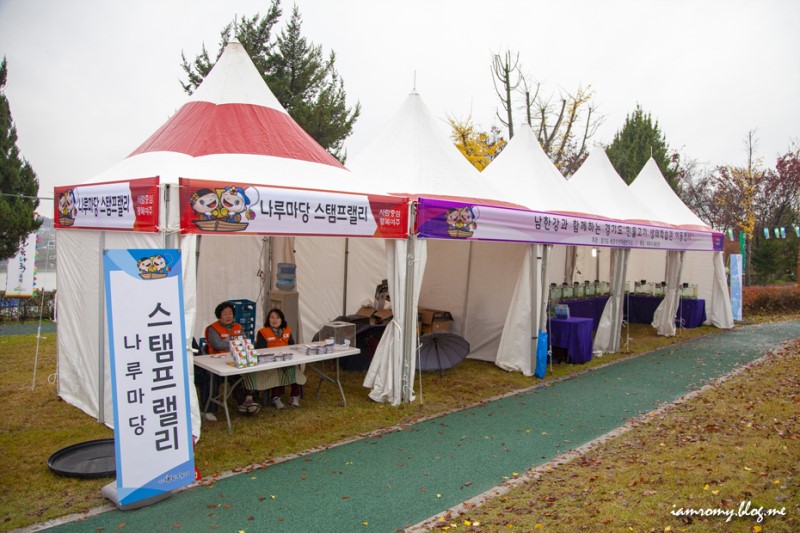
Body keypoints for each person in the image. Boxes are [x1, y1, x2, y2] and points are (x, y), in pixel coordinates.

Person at [204, 301, 260, 416]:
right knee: (235, 376)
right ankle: (243, 403)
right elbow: (218, 345)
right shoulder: (213, 329)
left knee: (251, 371)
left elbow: (245, 341)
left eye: (230, 313)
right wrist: (236, 343)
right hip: (218, 361)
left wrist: (233, 342)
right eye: (225, 314)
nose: (228, 316)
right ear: (219, 315)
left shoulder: (238, 327)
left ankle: (248, 400)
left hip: (237, 358)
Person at [250, 308, 306, 409]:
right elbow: (260, 350)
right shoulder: (263, 332)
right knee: (275, 370)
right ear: (268, 319)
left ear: (282, 320)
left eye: (277, 317)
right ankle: (275, 397)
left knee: (293, 368)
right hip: (269, 362)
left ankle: (295, 395)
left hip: (285, 359)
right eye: (272, 317)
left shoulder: (287, 330)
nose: (274, 320)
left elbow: (292, 345)